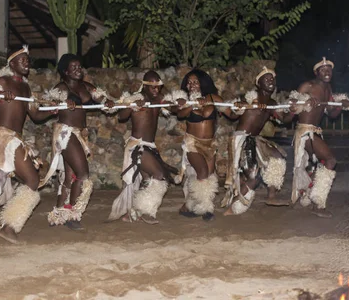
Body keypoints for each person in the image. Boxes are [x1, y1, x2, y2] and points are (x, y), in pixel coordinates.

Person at [0, 45, 57, 244]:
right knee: (31, 179)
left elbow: (35, 114)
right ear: (11, 63)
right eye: (22, 59)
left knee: (32, 180)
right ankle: (9, 227)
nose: (27, 62)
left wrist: (52, 111)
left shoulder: (26, 87)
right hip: (2, 137)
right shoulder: (2, 82)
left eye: (28, 59)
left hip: (16, 139)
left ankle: (10, 225)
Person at [40, 54, 114, 230]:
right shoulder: (61, 88)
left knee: (69, 177)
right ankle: (72, 213)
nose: (78, 70)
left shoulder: (86, 86)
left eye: (79, 67)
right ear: (65, 71)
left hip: (80, 134)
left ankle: (58, 214)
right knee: (83, 174)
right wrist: (62, 102)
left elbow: (100, 97)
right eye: (73, 67)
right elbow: (50, 103)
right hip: (65, 133)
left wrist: (107, 102)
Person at [221, 66, 295, 216]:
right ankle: (233, 207)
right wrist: (238, 108)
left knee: (278, 157)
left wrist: (294, 110)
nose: (270, 81)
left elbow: (284, 119)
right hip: (242, 138)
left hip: (255, 139)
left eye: (272, 79)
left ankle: (271, 196)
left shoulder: (272, 103)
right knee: (254, 177)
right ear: (258, 84)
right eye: (266, 79)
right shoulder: (250, 98)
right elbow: (233, 115)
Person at [107, 71, 178, 224]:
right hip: (137, 146)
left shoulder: (160, 99)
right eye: (152, 87)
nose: (156, 90)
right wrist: (132, 106)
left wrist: (178, 102)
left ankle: (132, 213)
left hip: (150, 146)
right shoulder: (136, 98)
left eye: (158, 87)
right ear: (144, 86)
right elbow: (121, 116)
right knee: (159, 175)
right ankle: (145, 211)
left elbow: (176, 110)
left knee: (146, 180)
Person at [289, 57, 349, 218]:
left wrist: (340, 105)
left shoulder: (328, 89)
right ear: (316, 72)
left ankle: (307, 193)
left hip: (316, 131)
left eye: (329, 69)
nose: (327, 72)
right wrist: (304, 102)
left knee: (316, 166)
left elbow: (331, 113)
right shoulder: (308, 86)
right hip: (305, 132)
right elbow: (291, 106)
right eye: (323, 70)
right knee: (330, 160)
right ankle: (318, 203)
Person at [174, 69, 235, 221]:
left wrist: (240, 107)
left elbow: (232, 114)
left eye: (195, 82)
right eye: (189, 83)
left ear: (203, 82)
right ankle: (206, 210)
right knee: (201, 172)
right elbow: (179, 114)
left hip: (210, 144)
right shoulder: (184, 99)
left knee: (207, 177)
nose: (192, 85)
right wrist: (192, 104)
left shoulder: (213, 98)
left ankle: (188, 206)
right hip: (192, 143)